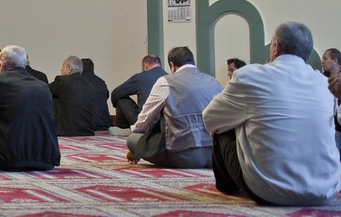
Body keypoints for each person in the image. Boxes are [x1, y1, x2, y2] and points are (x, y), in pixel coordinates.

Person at [203, 23, 341, 205]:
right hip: (325, 190)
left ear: (275, 47)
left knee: (226, 122)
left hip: (269, 189)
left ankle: (227, 187)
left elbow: (210, 117)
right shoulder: (324, 84)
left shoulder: (250, 76)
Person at [126, 46, 221, 169]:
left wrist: (139, 142)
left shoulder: (165, 82)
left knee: (133, 139)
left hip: (183, 156)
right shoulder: (214, 82)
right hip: (214, 156)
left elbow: (143, 123)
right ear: (193, 62)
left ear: (172, 65)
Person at [109, 54, 166, 136]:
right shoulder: (169, 77)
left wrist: (116, 106)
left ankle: (123, 128)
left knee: (121, 99)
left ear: (145, 66)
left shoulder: (141, 77)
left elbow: (115, 93)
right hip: (164, 124)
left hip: (144, 122)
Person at [48, 56, 95, 136]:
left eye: (63, 66)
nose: (61, 69)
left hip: (66, 131)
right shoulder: (89, 85)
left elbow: (43, 91)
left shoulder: (62, 81)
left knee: (50, 95)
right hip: (86, 130)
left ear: (69, 70)